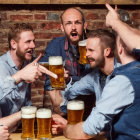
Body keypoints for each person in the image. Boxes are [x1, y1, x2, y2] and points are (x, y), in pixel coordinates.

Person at [52, 30, 140, 139]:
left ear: (107, 51)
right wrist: (64, 81)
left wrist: (68, 128)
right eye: (86, 50)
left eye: (91, 50)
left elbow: (97, 127)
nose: (86, 54)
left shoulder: (123, 78)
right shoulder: (95, 76)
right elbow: (71, 92)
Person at [0, 23, 57, 132]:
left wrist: (59, 72)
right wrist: (19, 76)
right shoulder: (1, 66)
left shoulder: (28, 62)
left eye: (33, 41)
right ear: (13, 44)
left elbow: (46, 64)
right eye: (28, 42)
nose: (33, 46)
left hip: (19, 128)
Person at [40, 7, 92, 115]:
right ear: (62, 28)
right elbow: (43, 70)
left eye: (77, 23)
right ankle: (60, 111)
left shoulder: (94, 43)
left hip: (91, 100)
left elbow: (99, 77)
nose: (73, 27)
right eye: (68, 23)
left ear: (84, 25)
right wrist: (57, 76)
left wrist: (71, 79)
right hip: (66, 100)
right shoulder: (55, 45)